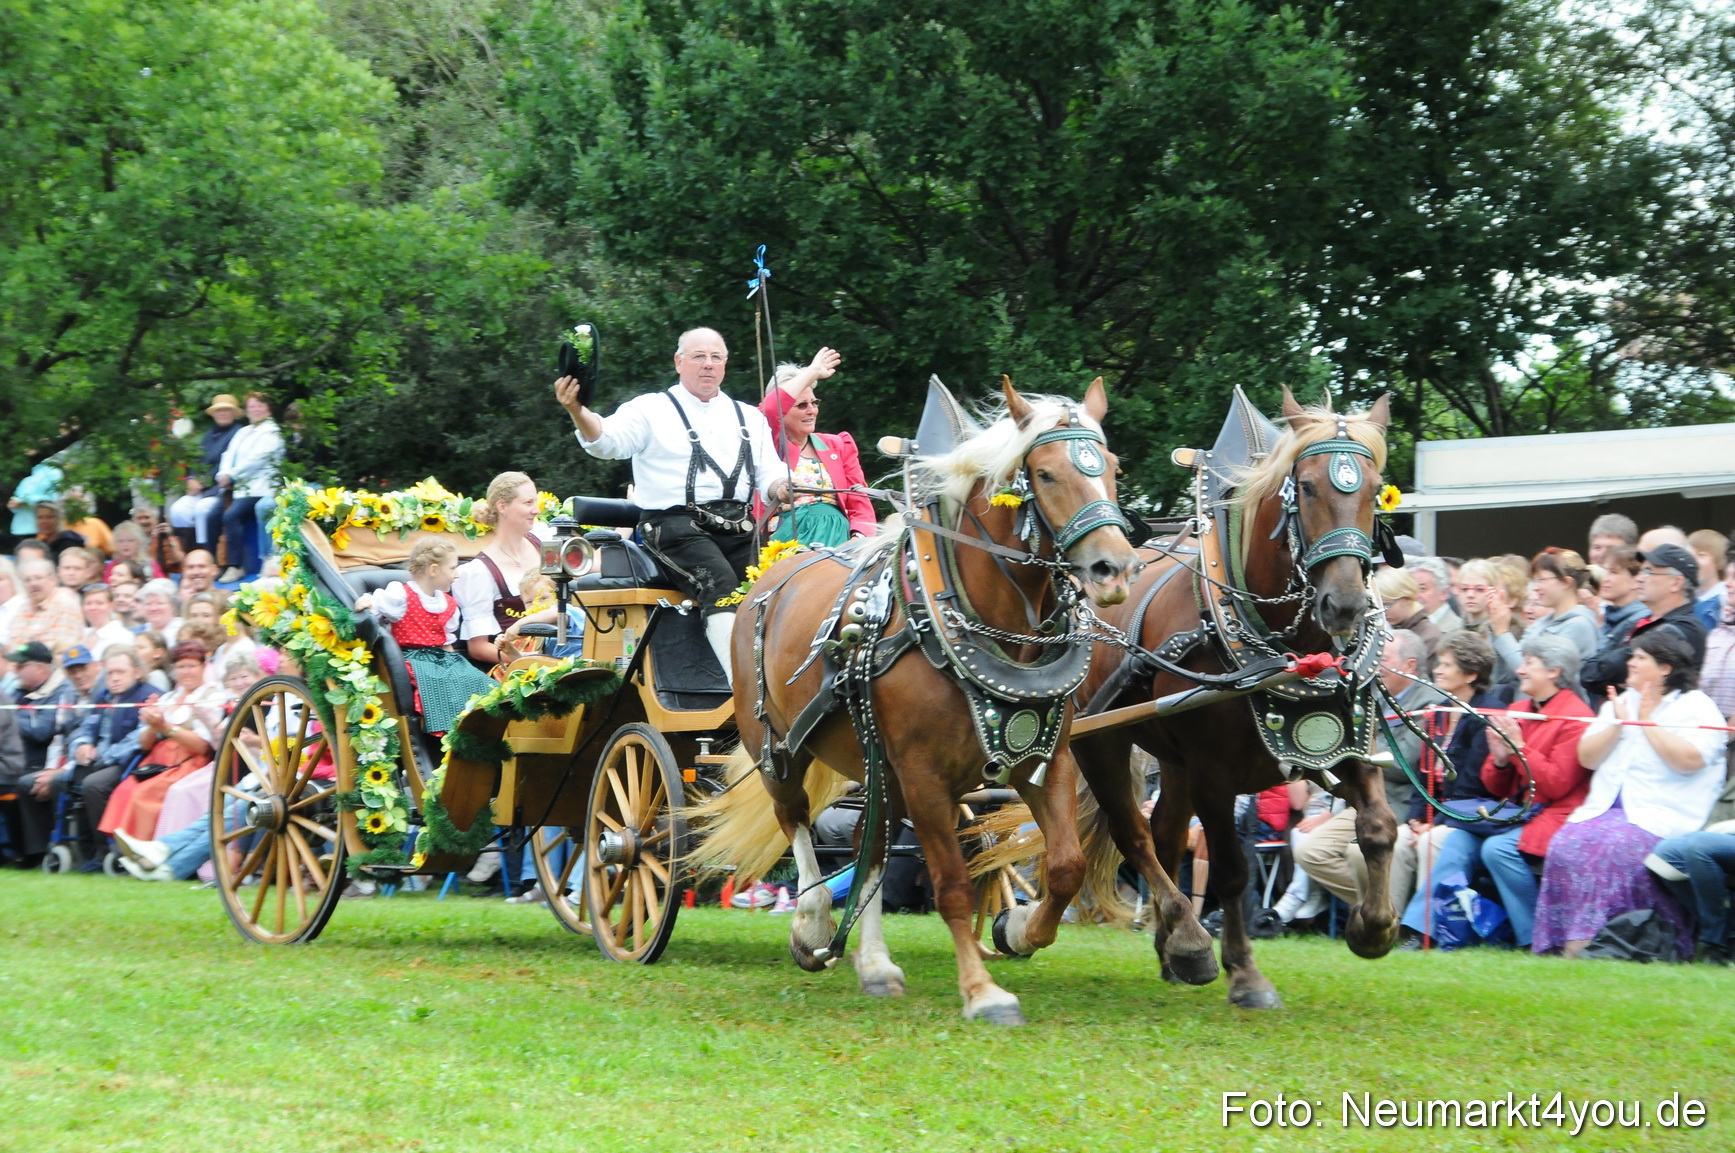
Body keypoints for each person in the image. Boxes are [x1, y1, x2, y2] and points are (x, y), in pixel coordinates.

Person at [556, 327, 790, 680]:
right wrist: (576, 410)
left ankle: (783, 681)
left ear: (725, 364)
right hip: (673, 527)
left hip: (739, 526)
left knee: (782, 582)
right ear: (679, 362)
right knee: (721, 584)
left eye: (716, 357)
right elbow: (606, 441)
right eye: (699, 356)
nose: (708, 364)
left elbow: (770, 476)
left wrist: (782, 487)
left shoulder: (749, 417)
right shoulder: (650, 409)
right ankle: (743, 688)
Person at [1533, 629, 1727, 957]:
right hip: (1605, 809)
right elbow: (1587, 758)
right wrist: (1619, 725)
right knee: (1566, 844)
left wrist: (1647, 722)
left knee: (1618, 849)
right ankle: (1562, 942)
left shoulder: (1697, 706)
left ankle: (1622, 943)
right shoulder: (1621, 702)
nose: (1631, 663)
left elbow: (1689, 761)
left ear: (1665, 668)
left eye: (1640, 657)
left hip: (1661, 812)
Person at [1466, 634, 1598, 949]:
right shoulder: (1518, 709)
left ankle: (1534, 938)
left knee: (1497, 850)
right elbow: (1495, 786)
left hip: (1556, 814)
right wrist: (1500, 761)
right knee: (1455, 839)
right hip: (1520, 812)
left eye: (1529, 663)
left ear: (1554, 672)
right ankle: (1422, 930)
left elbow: (1555, 784)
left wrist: (1519, 749)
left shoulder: (1576, 717)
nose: (1520, 670)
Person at [1293, 630, 1439, 912]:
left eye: (1384, 659)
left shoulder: (1428, 703)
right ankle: (1384, 906)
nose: (1377, 666)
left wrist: (1357, 754)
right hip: (1366, 798)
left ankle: (1385, 910)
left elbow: (1405, 764)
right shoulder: (1375, 694)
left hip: (1398, 803)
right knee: (1310, 852)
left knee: (1357, 853)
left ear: (1410, 665)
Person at [1394, 630, 1501, 945]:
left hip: (1473, 818)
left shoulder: (1487, 713)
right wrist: (1416, 818)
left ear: (1471, 674)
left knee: (1432, 842)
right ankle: (1393, 928)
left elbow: (1472, 786)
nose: (1437, 670)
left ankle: (1426, 933)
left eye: (1447, 665)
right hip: (1436, 816)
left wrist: (1434, 822)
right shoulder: (1438, 712)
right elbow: (1422, 774)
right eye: (1438, 663)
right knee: (1398, 840)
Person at [356, 538, 496, 735]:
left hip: (441, 656)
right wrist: (368, 602)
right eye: (452, 568)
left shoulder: (447, 603)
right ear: (433, 570)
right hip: (411, 658)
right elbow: (376, 609)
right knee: (436, 681)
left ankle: (480, 728)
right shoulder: (401, 595)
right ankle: (447, 731)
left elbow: (447, 643)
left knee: (476, 679)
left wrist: (458, 666)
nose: (457, 575)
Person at [97, 640, 226, 841]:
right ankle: (121, 844)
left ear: (203, 667)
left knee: (143, 795)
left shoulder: (213, 696)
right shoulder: (168, 698)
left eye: (192, 666)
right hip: (157, 761)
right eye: (180, 667)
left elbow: (203, 747)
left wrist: (165, 727)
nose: (186, 672)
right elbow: (145, 744)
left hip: (189, 762)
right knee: (124, 790)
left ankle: (144, 844)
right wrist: (152, 724)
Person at [757, 349, 877, 546]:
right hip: (790, 536)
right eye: (802, 405)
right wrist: (812, 372)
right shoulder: (767, 442)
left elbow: (860, 501)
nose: (812, 410)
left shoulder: (838, 445)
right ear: (783, 410)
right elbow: (769, 409)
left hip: (841, 538)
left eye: (814, 403)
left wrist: (859, 538)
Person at [57, 648, 157, 864]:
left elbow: (137, 739)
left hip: (129, 762)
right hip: (99, 759)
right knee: (61, 780)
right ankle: (79, 850)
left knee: (94, 785)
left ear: (137, 672)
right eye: (110, 673)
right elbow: (85, 727)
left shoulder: (148, 696)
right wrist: (82, 745)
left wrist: (103, 757)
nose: (114, 678)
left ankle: (106, 851)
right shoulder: (103, 695)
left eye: (121, 672)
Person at [1581, 542, 1707, 698]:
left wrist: (1619, 680)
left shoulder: (1685, 628)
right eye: (1641, 571)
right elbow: (1589, 673)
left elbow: (1609, 669)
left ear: (1676, 583)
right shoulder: (1639, 621)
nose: (1639, 578)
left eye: (1649, 572)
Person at [452, 472, 544, 668]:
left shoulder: (544, 541)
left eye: (535, 502)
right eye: (528, 503)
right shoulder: (479, 572)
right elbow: (478, 648)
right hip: (522, 665)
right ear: (502, 507)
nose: (536, 510)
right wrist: (532, 660)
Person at [3, 642, 80, 866]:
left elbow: (43, 729)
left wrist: (13, 717)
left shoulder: (63, 691)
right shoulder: (20, 691)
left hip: (42, 761)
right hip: (17, 757)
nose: (15, 671)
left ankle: (29, 852)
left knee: (12, 782)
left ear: (39, 667)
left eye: (21, 666)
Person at [215, 392, 284, 582]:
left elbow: (257, 459)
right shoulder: (243, 432)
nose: (255, 410)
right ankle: (216, 563)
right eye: (252, 406)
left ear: (268, 409)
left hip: (261, 488)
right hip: (239, 488)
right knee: (212, 514)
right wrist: (222, 473)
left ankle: (236, 565)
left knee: (231, 516)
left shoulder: (272, 432)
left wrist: (232, 475)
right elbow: (228, 454)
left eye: (260, 405)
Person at [1512, 548, 1600, 662]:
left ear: (1567, 582)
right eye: (1535, 581)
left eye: (1542, 580)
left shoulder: (1579, 625)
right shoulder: (1542, 621)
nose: (1536, 587)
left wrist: (1501, 632)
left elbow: (1533, 668)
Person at [6, 557, 84, 656]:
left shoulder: (65, 605)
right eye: (27, 580)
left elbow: (58, 651)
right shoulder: (23, 608)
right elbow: (13, 647)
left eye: (38, 578)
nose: (33, 583)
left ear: (53, 580)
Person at [1375, 566, 1441, 665]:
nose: (1383, 612)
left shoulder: (1430, 637)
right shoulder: (1386, 629)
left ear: (1407, 599)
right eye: (1379, 606)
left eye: (1387, 605)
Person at [1596, 546, 1645, 651]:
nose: (1605, 579)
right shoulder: (1609, 616)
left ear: (1636, 581)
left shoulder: (1640, 621)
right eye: (1606, 571)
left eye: (1614, 572)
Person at [7, 460, 62, 552]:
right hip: (19, 528)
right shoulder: (26, 480)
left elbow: (53, 498)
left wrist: (25, 501)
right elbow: (17, 498)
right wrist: (13, 504)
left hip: (39, 529)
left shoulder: (54, 472)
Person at [1408, 557, 1462, 635]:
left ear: (1443, 593)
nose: (1416, 596)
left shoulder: (1457, 630)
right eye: (1412, 589)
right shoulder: (1404, 625)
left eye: (1422, 588)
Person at [1688, 528, 1728, 632]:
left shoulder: (1726, 601)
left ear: (1719, 563)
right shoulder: (1683, 598)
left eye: (1701, 555)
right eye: (1689, 555)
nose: (1693, 560)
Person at [80, 584, 134, 659]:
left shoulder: (122, 636)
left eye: (99, 603)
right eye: (88, 603)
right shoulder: (81, 634)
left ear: (111, 606)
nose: (93, 607)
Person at [136, 579, 184, 646]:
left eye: (160, 603)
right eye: (148, 604)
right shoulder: (138, 632)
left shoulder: (183, 629)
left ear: (173, 606)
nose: (153, 608)